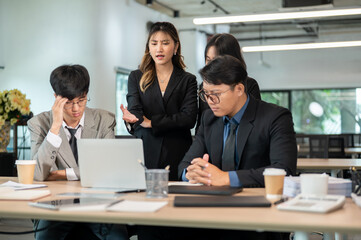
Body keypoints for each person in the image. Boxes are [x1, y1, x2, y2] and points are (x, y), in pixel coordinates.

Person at [176, 55, 296, 240]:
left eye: (216, 94)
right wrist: (191, 173)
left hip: (260, 216)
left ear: (239, 89)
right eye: (205, 94)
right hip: (213, 214)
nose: (209, 101)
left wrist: (226, 178)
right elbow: (184, 165)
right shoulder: (209, 119)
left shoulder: (275, 117)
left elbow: (283, 170)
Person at [28, 64, 128, 240]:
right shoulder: (39, 123)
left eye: (81, 100)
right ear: (56, 98)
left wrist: (62, 174)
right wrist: (55, 127)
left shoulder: (104, 120)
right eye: (68, 102)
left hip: (97, 201)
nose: (76, 109)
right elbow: (37, 174)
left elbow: (108, 168)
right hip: (56, 203)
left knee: (118, 237)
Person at [120, 22, 198, 181]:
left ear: (175, 47)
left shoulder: (187, 80)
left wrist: (152, 122)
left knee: (176, 198)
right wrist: (132, 119)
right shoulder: (136, 77)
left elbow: (189, 118)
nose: (159, 49)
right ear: (148, 48)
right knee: (143, 199)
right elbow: (135, 110)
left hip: (177, 149)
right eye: (154, 43)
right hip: (145, 150)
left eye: (165, 43)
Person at [196, 33, 261, 133]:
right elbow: (201, 124)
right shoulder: (204, 87)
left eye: (216, 60)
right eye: (208, 60)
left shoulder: (249, 84)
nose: (210, 66)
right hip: (212, 143)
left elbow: (255, 122)